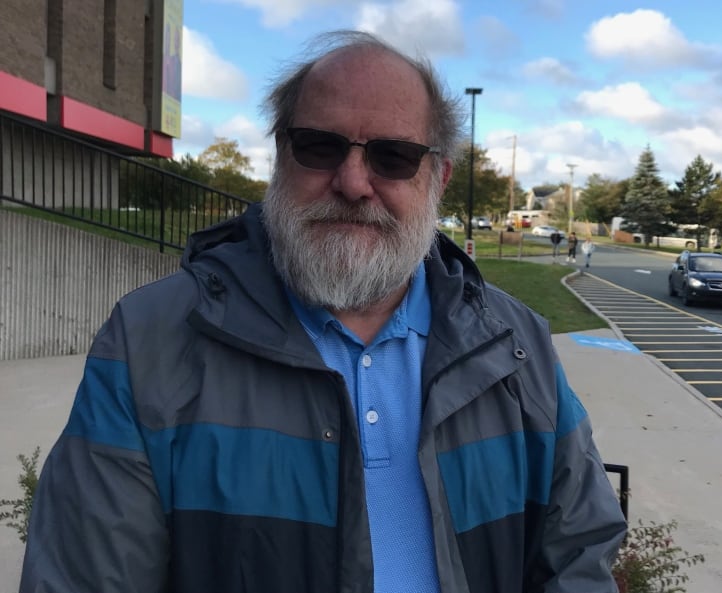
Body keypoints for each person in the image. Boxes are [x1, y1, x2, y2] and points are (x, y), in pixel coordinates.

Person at [20, 30, 626, 593]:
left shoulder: (517, 346)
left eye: (393, 157)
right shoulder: (149, 341)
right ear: (281, 156)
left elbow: (578, 557)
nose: (354, 181)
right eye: (320, 146)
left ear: (437, 178)